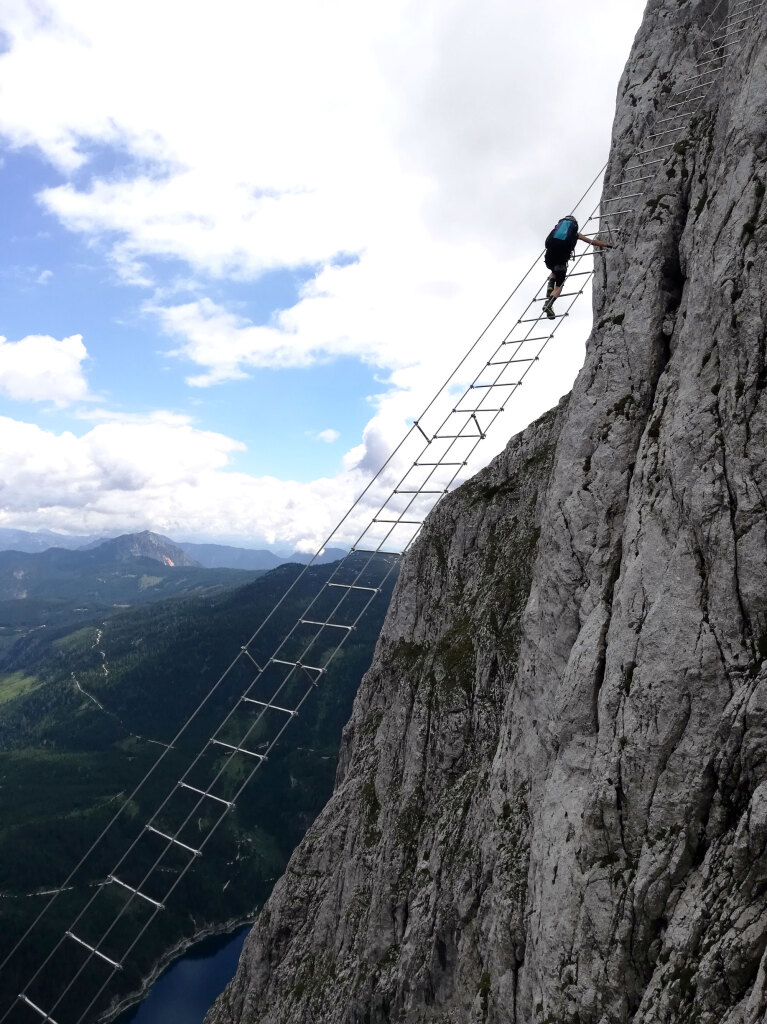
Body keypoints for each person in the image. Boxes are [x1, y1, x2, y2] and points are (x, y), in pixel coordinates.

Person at [542, 215, 612, 319]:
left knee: (553, 270)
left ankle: (550, 284)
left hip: (549, 257)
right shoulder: (575, 234)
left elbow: (547, 242)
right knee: (559, 286)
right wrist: (607, 244)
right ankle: (549, 303)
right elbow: (591, 242)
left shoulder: (555, 231)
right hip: (561, 260)